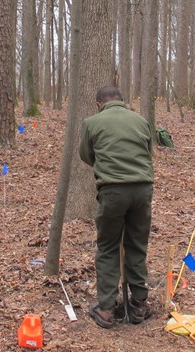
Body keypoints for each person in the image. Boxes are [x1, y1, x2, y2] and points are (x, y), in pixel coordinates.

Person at [79, 86, 154, 328]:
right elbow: (147, 151)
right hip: (143, 189)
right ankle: (138, 305)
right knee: (137, 245)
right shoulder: (141, 121)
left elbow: (86, 156)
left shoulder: (92, 122)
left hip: (113, 190)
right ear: (122, 101)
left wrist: (107, 167)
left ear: (99, 103)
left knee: (108, 246)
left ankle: (107, 309)